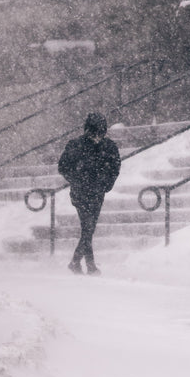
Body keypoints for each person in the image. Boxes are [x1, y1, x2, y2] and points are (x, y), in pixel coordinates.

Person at [57, 111, 121, 275]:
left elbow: (115, 168)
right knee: (88, 227)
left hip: (95, 192)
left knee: (88, 228)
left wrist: (106, 185)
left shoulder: (107, 147)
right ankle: (84, 263)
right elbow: (63, 167)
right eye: (95, 132)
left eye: (100, 132)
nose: (97, 136)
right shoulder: (77, 145)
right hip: (82, 192)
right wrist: (78, 180)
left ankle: (79, 263)